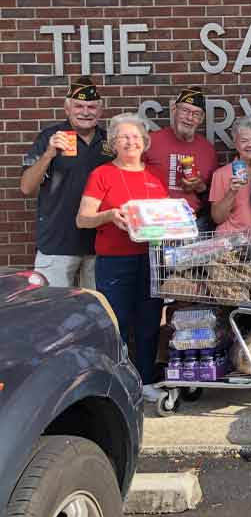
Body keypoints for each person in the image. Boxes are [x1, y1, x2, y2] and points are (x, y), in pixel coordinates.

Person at [76, 114, 168, 398]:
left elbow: (164, 216)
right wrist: (108, 215)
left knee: (150, 322)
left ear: (145, 141)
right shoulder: (102, 174)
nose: (131, 142)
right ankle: (119, 385)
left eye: (137, 136)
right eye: (124, 137)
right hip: (116, 261)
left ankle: (146, 382)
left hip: (151, 259)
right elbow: (83, 219)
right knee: (118, 323)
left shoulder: (155, 175)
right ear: (113, 143)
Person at [20, 77, 111, 288]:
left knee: (98, 313)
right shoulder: (49, 137)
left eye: (91, 107)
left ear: (100, 111)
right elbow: (26, 187)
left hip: (99, 245)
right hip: (57, 245)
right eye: (78, 106)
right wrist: (49, 154)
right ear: (67, 109)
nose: (85, 112)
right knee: (52, 312)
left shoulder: (110, 141)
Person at [143, 87, 218, 232]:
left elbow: (214, 195)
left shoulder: (208, 150)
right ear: (174, 110)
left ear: (201, 119)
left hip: (193, 222)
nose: (189, 117)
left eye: (196, 114)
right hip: (155, 221)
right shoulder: (150, 141)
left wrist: (200, 187)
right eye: (185, 110)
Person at [209, 116, 251, 235]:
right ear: (236, 144)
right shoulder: (221, 174)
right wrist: (232, 192)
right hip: (232, 243)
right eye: (244, 141)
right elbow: (217, 218)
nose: (250, 145)